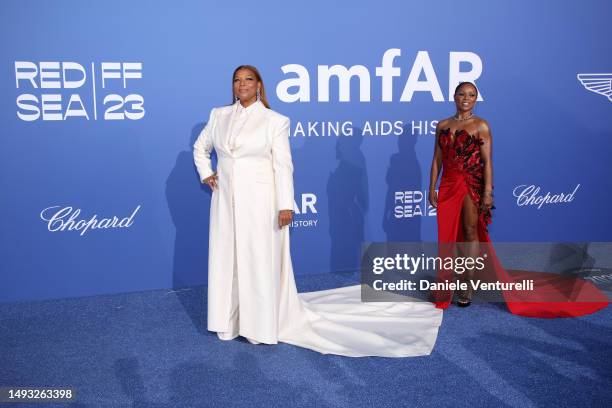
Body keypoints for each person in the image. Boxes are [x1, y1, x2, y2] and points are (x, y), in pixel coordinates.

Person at [193, 65, 443, 357]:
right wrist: (206, 173)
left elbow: (283, 166)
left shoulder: (275, 121)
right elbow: (201, 147)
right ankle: (229, 320)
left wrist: (286, 204)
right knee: (228, 259)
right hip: (225, 204)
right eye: (237, 80)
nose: (242, 84)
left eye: (248, 79)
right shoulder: (218, 116)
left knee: (258, 262)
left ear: (259, 85)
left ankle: (258, 325)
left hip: (261, 203)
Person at [428, 82, 608, 317]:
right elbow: (436, 160)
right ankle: (445, 285)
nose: (466, 98)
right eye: (462, 94)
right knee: (446, 236)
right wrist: (432, 187)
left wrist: (488, 191)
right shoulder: (442, 125)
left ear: (476, 99)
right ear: (454, 96)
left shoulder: (481, 125)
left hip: (470, 184)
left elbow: (487, 161)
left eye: (471, 95)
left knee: (470, 232)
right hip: (448, 184)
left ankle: (467, 284)